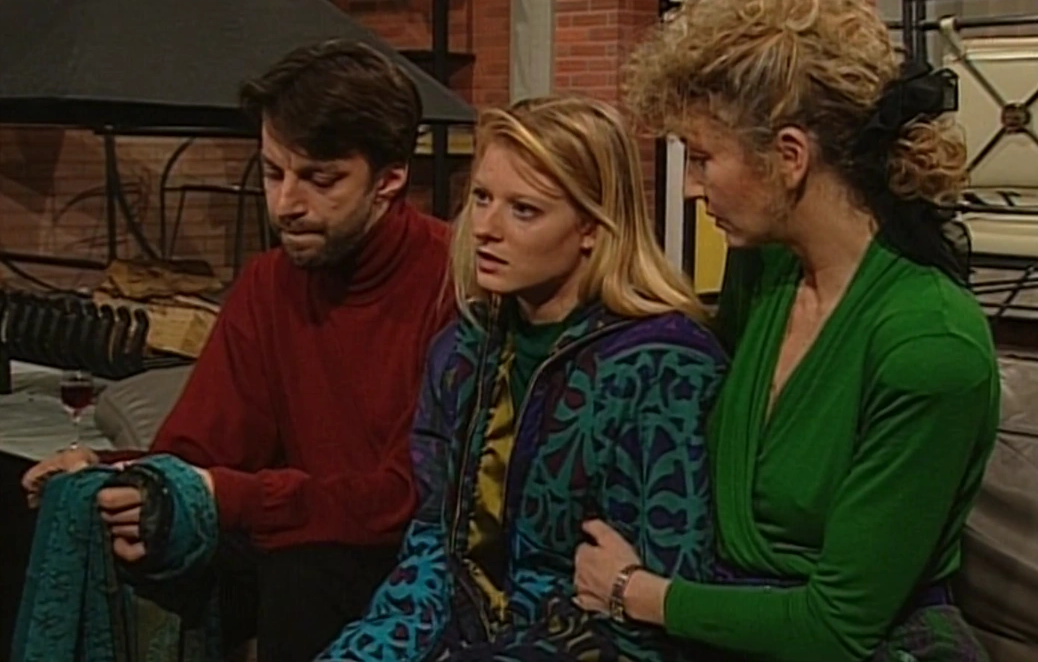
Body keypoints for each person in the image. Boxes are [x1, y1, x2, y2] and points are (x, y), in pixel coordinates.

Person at [573, 0, 1001, 662]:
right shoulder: (764, 267)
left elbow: (838, 626)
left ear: (790, 157)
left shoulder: (931, 344)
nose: (691, 188)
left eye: (703, 158)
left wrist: (637, 592)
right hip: (722, 619)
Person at [20, 40, 455, 662]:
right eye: (274, 173)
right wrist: (116, 472)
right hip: (291, 536)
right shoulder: (267, 284)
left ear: (389, 179)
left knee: (305, 572)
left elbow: (405, 499)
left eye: (320, 180)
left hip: (395, 557)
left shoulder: (454, 285)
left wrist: (223, 494)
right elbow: (200, 456)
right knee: (97, 519)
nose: (286, 205)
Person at [317, 96, 728, 662]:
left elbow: (657, 604)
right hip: (465, 631)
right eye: (482, 198)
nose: (485, 229)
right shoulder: (463, 352)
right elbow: (436, 544)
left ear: (591, 226)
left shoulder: (664, 367)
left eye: (524, 210)